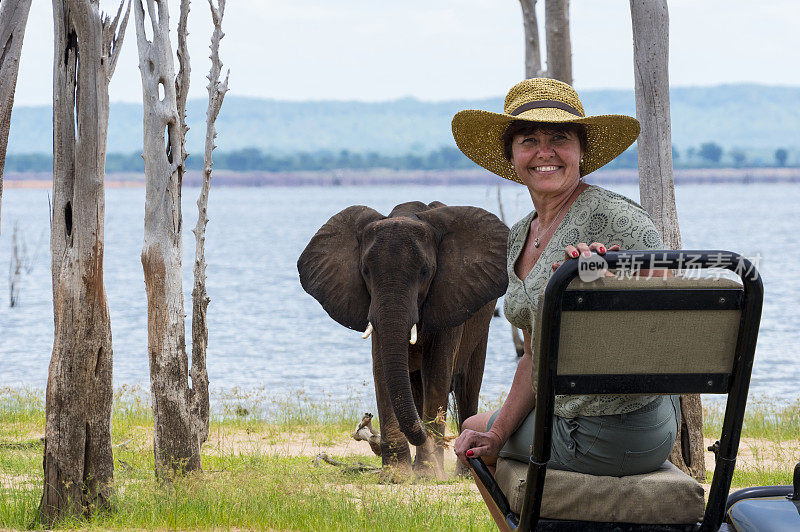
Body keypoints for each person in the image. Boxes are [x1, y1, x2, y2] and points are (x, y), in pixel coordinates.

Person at [451, 78, 680, 477]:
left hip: (619, 425)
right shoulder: (521, 233)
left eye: (559, 137)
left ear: (581, 150)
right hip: (578, 413)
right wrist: (501, 430)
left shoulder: (619, 220)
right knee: (482, 432)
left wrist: (610, 287)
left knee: (471, 428)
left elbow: (668, 325)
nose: (545, 152)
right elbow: (534, 355)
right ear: (511, 155)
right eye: (528, 139)